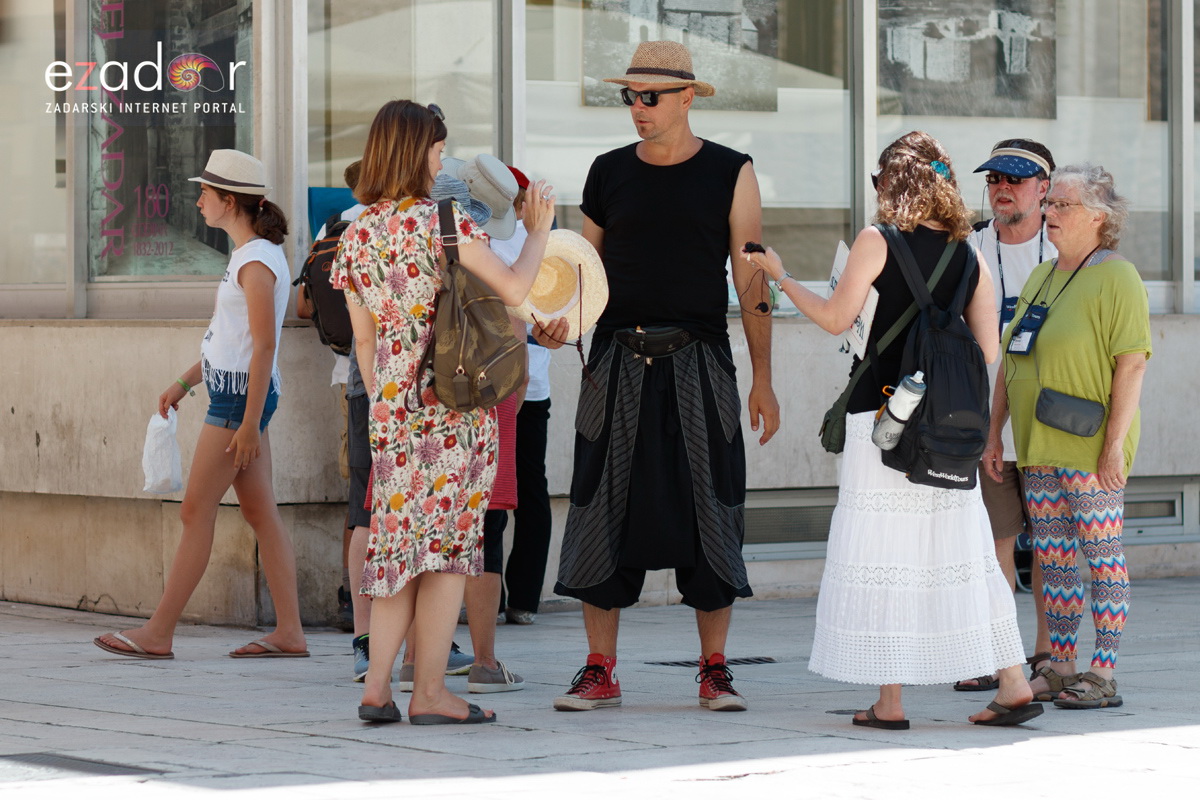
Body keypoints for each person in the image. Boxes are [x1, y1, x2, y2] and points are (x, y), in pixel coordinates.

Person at [746, 131, 1042, 728]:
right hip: (944, 431)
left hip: (881, 421)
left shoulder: (876, 240)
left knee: (884, 550)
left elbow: (835, 319)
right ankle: (1012, 681)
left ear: (893, 183)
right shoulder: (969, 253)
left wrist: (780, 274)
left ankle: (891, 701)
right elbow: (988, 349)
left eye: (880, 181)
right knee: (965, 555)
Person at [536, 41, 780, 713]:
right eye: (630, 97)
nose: (637, 109)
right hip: (615, 362)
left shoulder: (733, 171)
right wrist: (551, 319)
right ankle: (599, 669)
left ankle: (714, 668)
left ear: (687, 98)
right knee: (597, 508)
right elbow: (581, 270)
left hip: (701, 362)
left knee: (713, 506)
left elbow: (752, 278)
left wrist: (763, 378)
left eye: (650, 97)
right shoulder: (608, 171)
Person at [331, 99, 555, 724]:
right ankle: (430, 694)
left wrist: (385, 404)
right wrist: (539, 230)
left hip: (393, 412)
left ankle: (378, 689)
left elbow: (367, 342)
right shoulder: (445, 223)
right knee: (450, 554)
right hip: (452, 411)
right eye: (435, 149)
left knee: (400, 551)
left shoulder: (357, 233)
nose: (441, 160)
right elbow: (514, 288)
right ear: (415, 152)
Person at [94, 149, 307, 660]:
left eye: (205, 194)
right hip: (238, 394)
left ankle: (158, 633)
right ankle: (290, 633)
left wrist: (250, 422)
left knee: (195, 511)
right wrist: (185, 382)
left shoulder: (255, 262)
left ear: (229, 201)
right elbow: (229, 341)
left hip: (239, 402)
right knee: (261, 513)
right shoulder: (252, 254)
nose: (197, 202)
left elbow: (263, 347)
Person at [984, 163, 1149, 710]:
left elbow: (1131, 366)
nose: (1049, 213)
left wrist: (1112, 450)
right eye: (1049, 204)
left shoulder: (1117, 276)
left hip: (1089, 446)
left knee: (1101, 555)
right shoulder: (1043, 275)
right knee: (1053, 560)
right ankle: (1060, 665)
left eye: (1062, 205)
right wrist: (994, 435)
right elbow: (1012, 358)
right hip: (1037, 446)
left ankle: (1102, 672)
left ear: (1098, 217)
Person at [955, 139, 1059, 692]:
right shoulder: (969, 247)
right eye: (994, 178)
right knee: (992, 541)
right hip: (984, 421)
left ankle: (1044, 652)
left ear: (1044, 189)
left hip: (1048, 421)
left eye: (1015, 180)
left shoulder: (1064, 250)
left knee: (1048, 539)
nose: (1001, 188)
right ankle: (999, 654)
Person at [494, 167, 555, 625]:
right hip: (533, 385)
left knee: (495, 496)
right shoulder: (536, 246)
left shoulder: (487, 240)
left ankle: (490, 595)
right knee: (531, 492)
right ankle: (524, 600)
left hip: (501, 389)